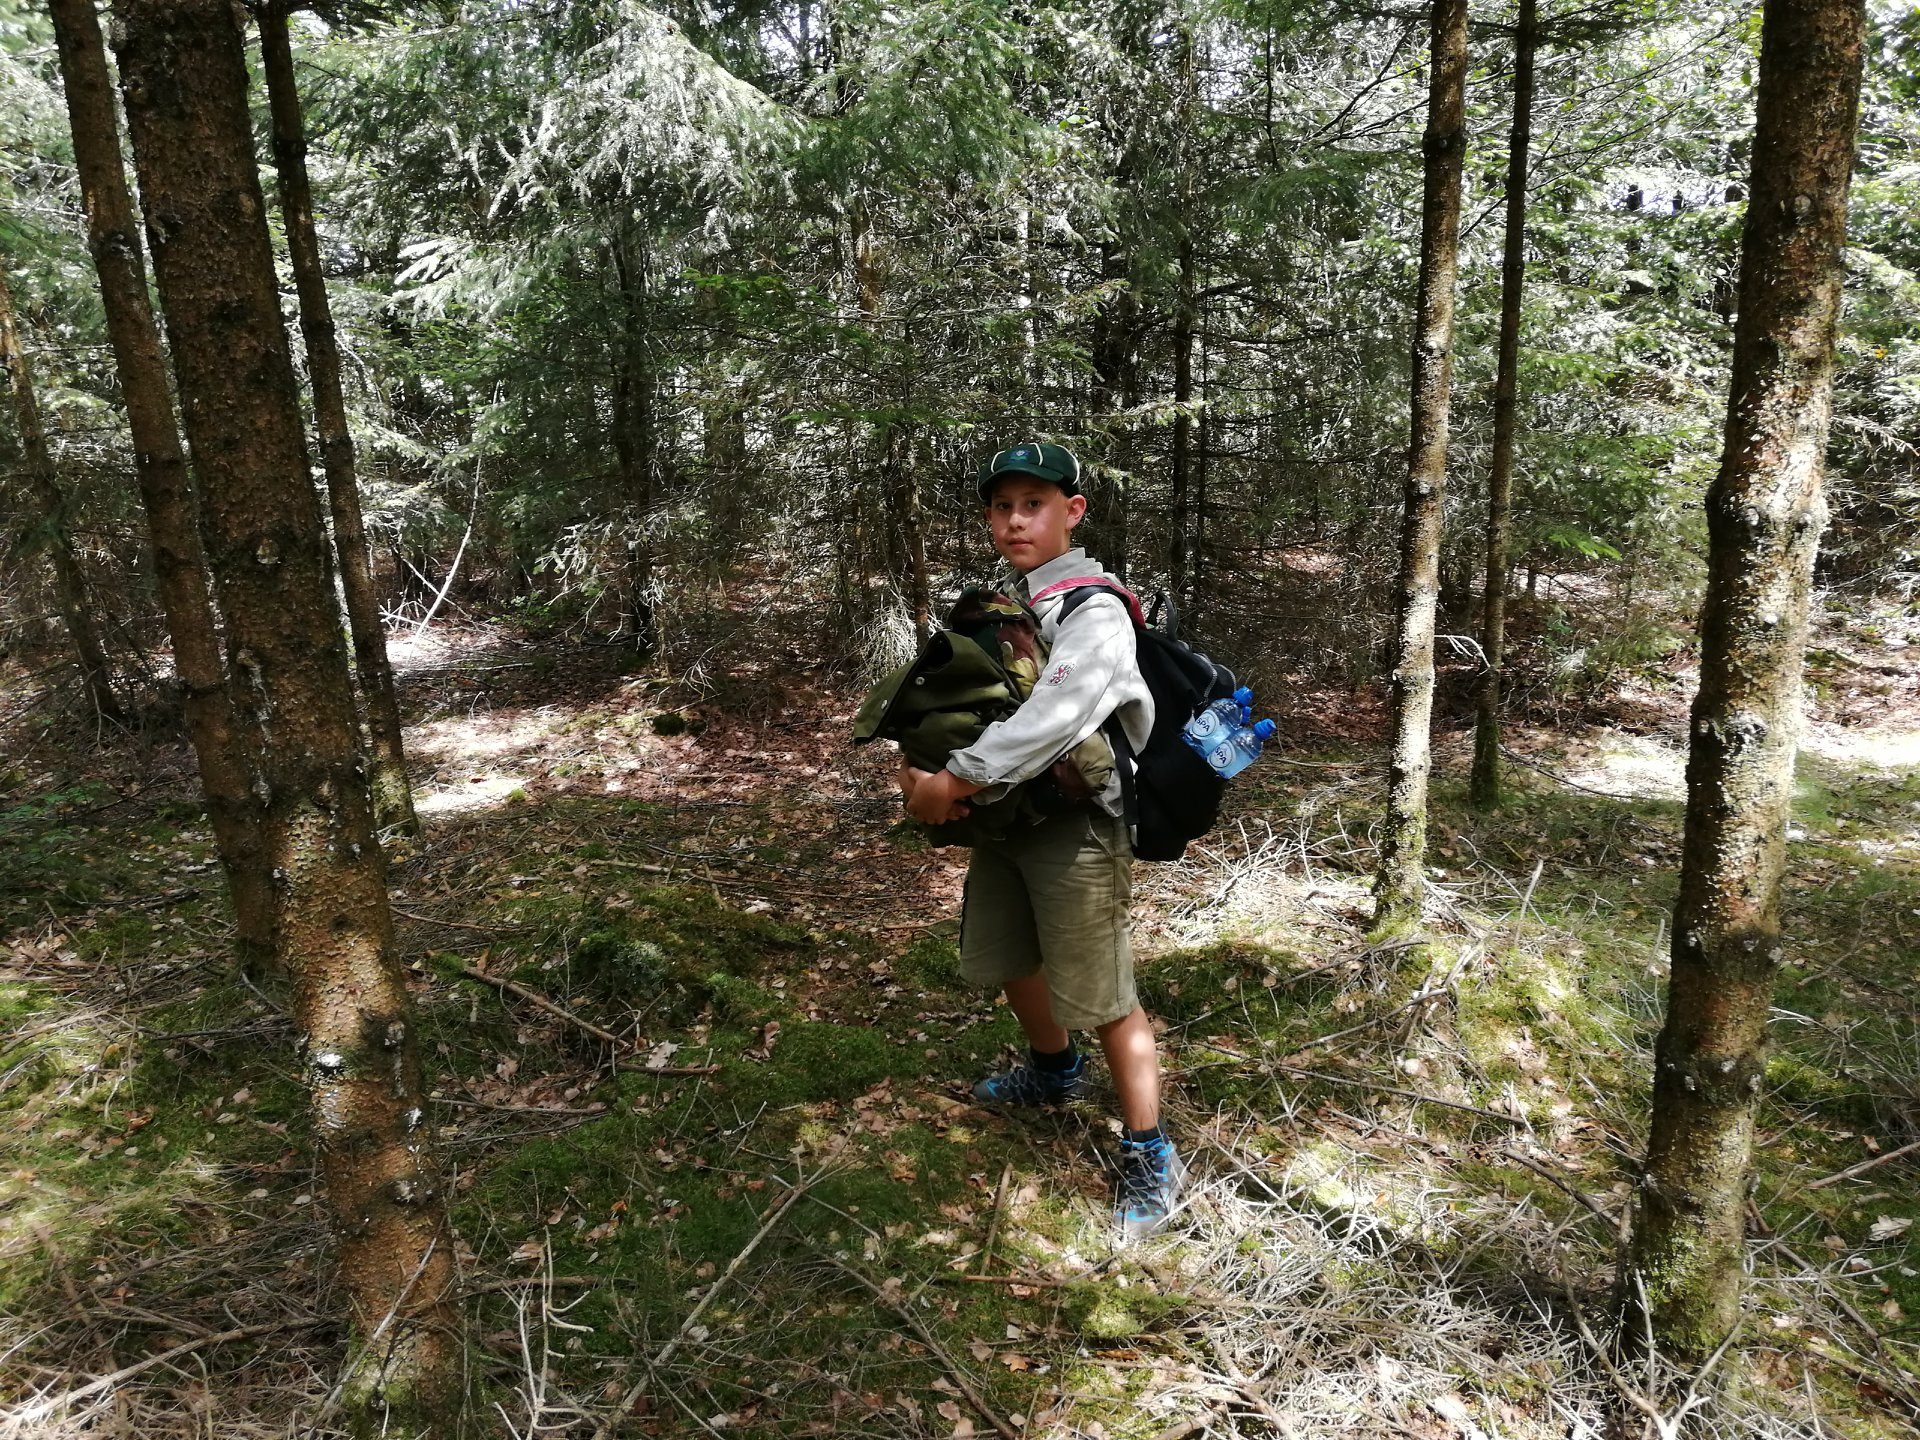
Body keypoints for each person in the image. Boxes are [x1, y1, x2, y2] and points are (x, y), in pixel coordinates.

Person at [898, 441, 1186, 1241]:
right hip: (1009, 820)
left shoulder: (1094, 610)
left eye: (1034, 503)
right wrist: (921, 768)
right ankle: (1053, 1075)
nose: (1016, 519)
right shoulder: (1015, 604)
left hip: (1077, 827)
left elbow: (1055, 718)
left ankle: (1148, 1152)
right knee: (1013, 956)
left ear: (1072, 511)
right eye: (1002, 506)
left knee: (1102, 991)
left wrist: (952, 782)